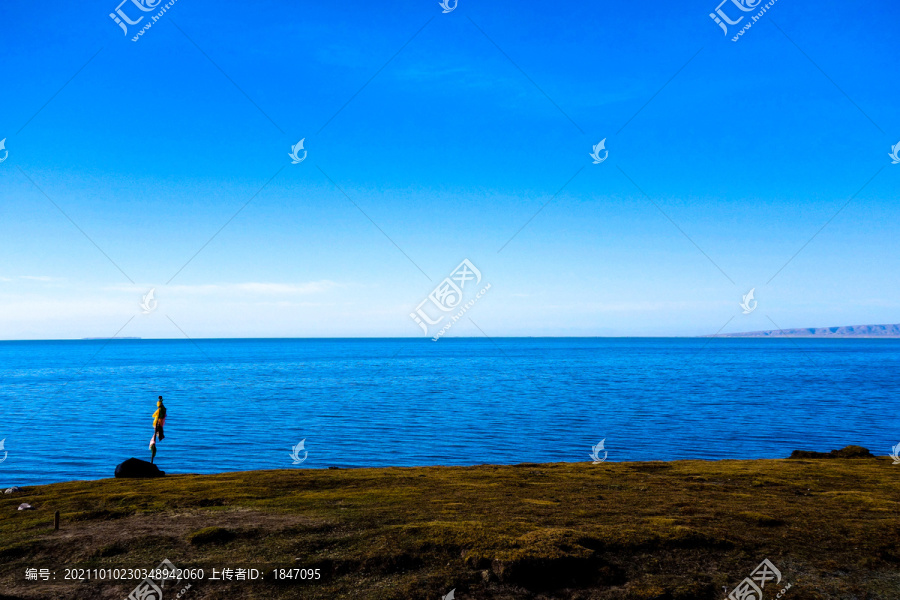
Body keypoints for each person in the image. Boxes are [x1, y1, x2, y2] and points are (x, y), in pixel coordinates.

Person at [150, 396, 167, 463]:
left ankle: (152, 460)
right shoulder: (160, 411)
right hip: (158, 424)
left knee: (157, 435)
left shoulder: (161, 411)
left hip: (158, 425)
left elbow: (160, 414)